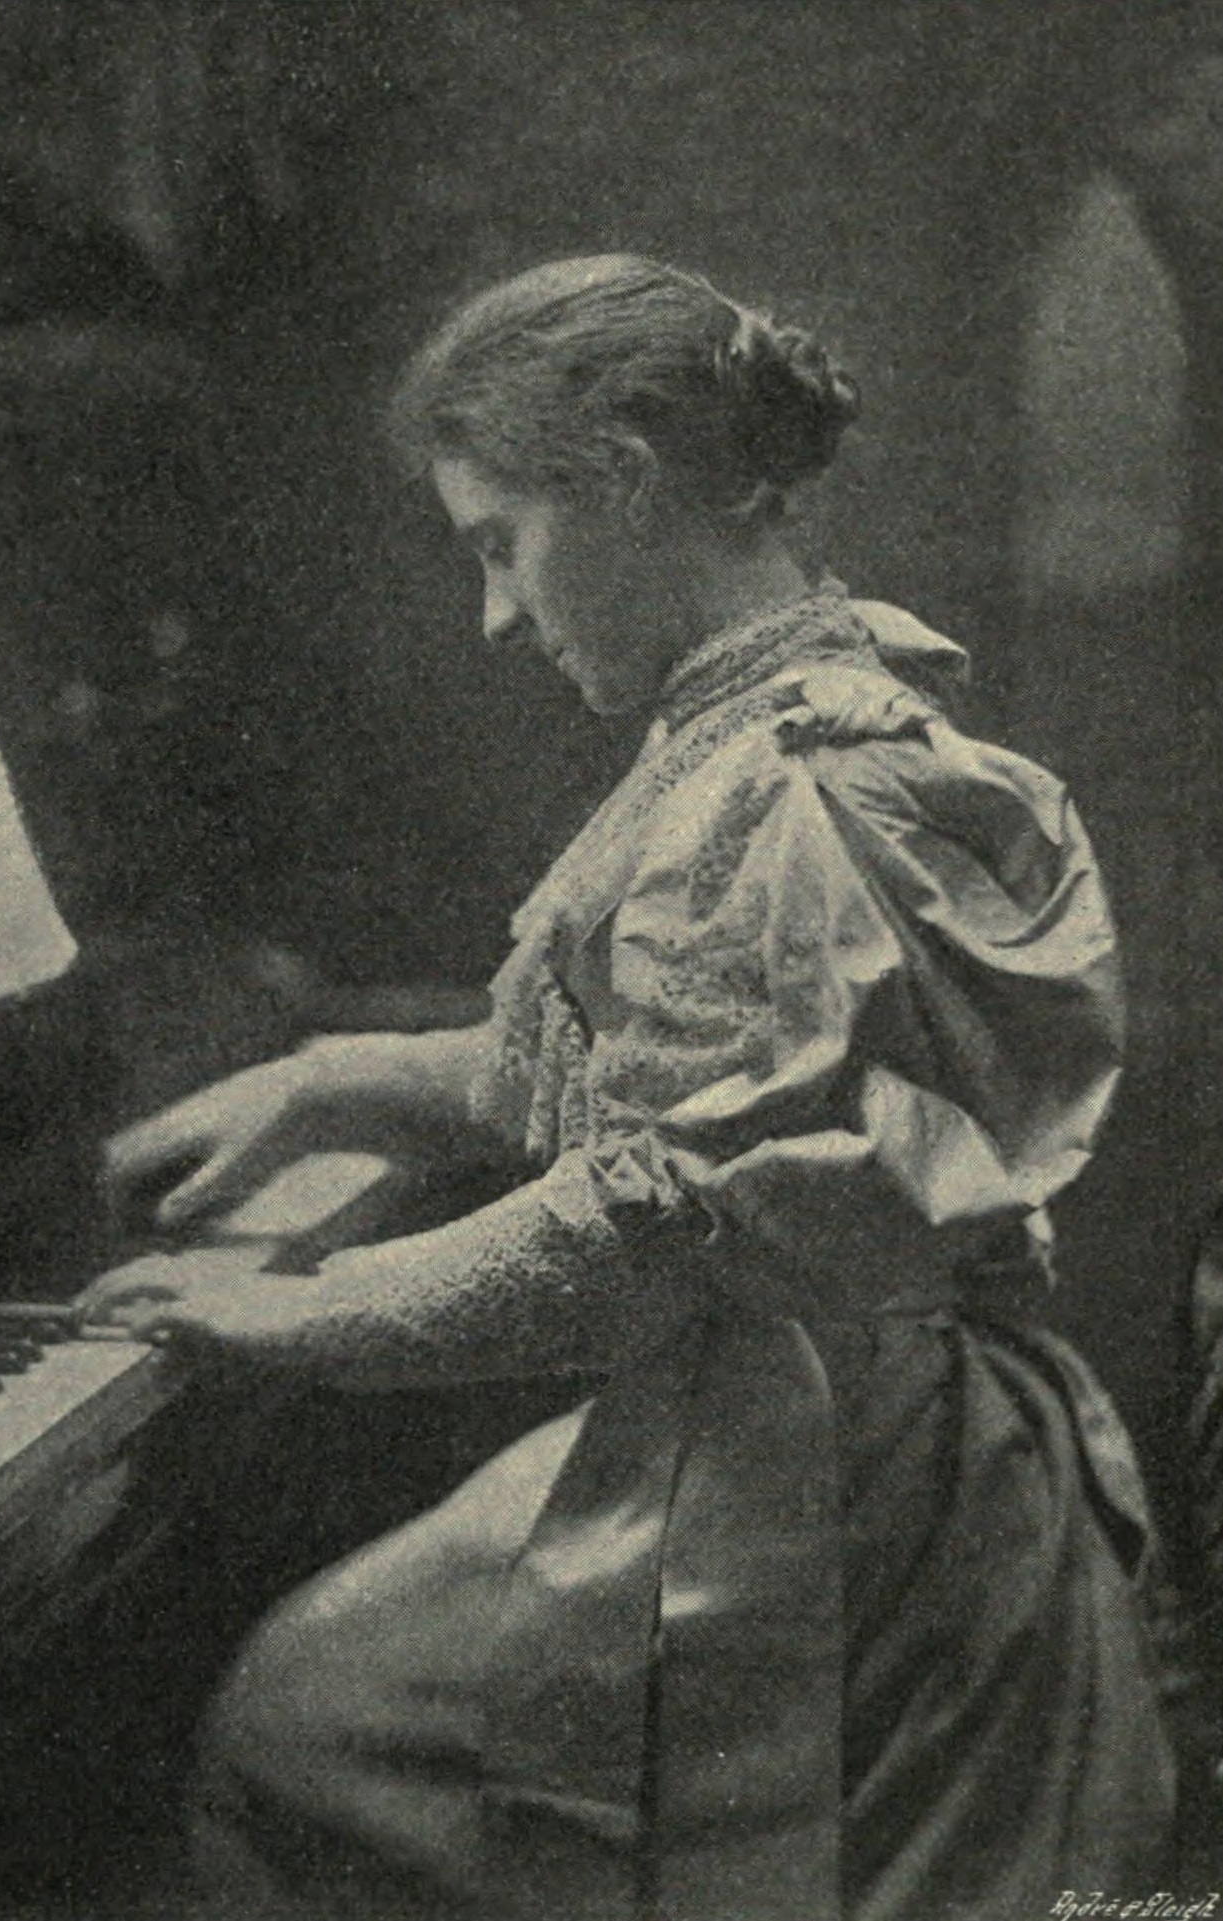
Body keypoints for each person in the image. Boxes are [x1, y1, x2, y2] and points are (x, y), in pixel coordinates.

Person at [84, 256, 1175, 1920]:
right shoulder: (765, 725)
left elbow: (640, 1221)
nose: (497, 615)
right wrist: (329, 1080)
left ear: (624, 480)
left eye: (498, 542)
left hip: (835, 1482)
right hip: (812, 1401)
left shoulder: (793, 787)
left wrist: (292, 1314)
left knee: (300, 1727)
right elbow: (661, 1084)